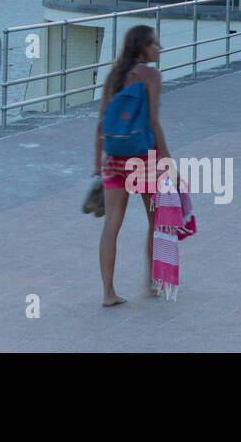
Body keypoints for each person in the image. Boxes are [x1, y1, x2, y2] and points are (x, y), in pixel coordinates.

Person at [95, 25, 170, 308]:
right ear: (142, 48)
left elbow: (101, 124)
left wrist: (96, 164)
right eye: (155, 44)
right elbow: (153, 121)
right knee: (156, 221)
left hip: (113, 159)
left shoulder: (113, 77)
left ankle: (108, 292)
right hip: (143, 158)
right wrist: (166, 158)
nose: (159, 49)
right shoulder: (151, 75)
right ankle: (151, 283)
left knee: (111, 225)